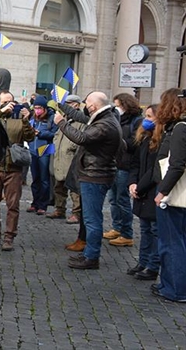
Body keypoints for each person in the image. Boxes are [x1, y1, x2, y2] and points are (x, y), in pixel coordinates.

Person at [53, 91, 120, 270]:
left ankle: (91, 256)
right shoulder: (104, 117)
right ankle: (89, 253)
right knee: (90, 217)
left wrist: (61, 122)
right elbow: (80, 117)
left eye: (87, 105)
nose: (85, 109)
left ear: (93, 107)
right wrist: (61, 104)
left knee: (92, 219)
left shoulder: (105, 124)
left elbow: (82, 138)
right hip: (93, 173)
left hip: (95, 175)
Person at [0, 91, 35, 251]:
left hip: (13, 168)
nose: (9, 104)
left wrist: (25, 120)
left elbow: (30, 137)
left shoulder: (18, 120)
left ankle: (9, 236)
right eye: (4, 102)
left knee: (13, 205)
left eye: (11, 101)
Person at [150, 88, 186, 303]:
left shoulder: (181, 128)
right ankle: (171, 284)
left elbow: (177, 164)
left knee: (171, 242)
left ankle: (175, 289)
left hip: (174, 193)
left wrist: (163, 190)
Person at [127, 104, 160, 281]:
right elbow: (135, 164)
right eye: (146, 116)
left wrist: (140, 186)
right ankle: (143, 261)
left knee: (154, 230)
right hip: (140, 188)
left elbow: (156, 169)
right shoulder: (144, 139)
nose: (146, 120)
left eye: (150, 117)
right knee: (145, 228)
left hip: (151, 189)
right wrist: (132, 183)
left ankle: (153, 265)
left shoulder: (162, 141)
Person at [105, 93, 143, 247]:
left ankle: (127, 233)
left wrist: (118, 141)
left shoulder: (136, 121)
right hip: (114, 162)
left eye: (118, 105)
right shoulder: (117, 119)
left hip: (126, 164)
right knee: (113, 199)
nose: (117, 108)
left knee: (122, 199)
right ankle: (117, 227)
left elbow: (135, 142)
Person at [49, 95, 84, 222]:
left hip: (72, 159)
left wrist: (72, 147)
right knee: (58, 186)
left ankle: (77, 213)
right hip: (60, 157)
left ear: (76, 105)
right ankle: (59, 209)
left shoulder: (81, 121)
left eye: (69, 103)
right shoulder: (62, 118)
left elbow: (81, 138)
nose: (66, 105)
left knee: (74, 189)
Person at [28, 96, 57, 215]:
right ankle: (35, 203)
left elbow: (54, 134)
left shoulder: (52, 118)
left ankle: (43, 204)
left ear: (45, 108)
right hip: (33, 150)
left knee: (44, 179)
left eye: (39, 108)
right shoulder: (33, 118)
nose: (37, 110)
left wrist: (40, 133)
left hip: (45, 149)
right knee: (35, 179)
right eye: (35, 108)